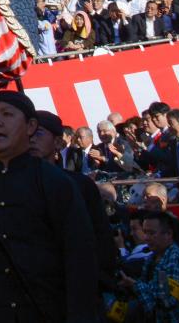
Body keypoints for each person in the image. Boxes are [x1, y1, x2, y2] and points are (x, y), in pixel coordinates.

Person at [0, 90, 96, 323]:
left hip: (47, 308)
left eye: (7, 114)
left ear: (30, 126)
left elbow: (80, 254)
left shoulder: (54, 180)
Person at [29, 110, 118, 296]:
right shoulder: (16, 186)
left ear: (58, 143)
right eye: (26, 133)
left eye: (38, 133)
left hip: (78, 282)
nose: (31, 139)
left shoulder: (79, 184)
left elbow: (101, 236)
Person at [116, 209, 179, 323]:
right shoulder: (152, 258)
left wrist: (135, 285)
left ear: (169, 234)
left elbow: (167, 301)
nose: (146, 238)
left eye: (152, 233)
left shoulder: (176, 260)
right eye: (145, 232)